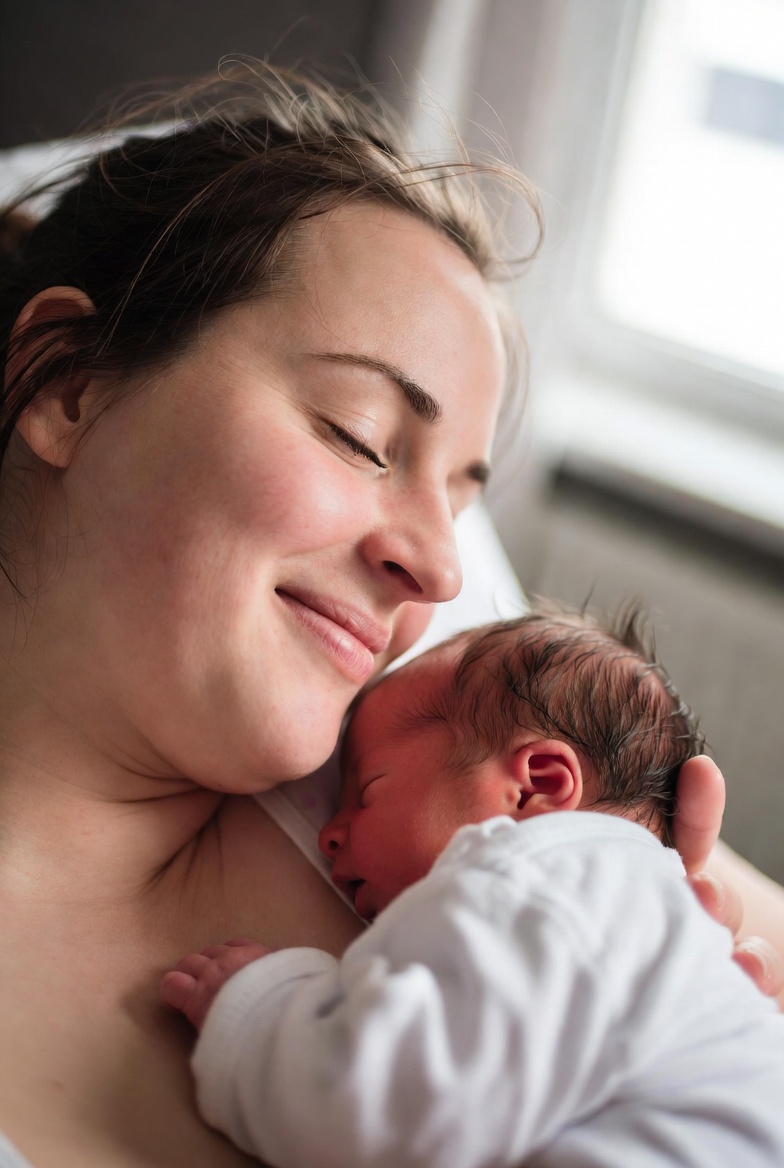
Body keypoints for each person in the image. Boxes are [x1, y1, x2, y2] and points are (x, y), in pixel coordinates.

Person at [0, 62, 780, 1168]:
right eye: (362, 435)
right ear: (69, 388)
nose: (441, 571)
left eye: (461, 498)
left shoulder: (442, 766)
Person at [162, 605, 784, 1168]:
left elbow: (389, 1110)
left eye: (369, 790)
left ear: (534, 786)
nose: (331, 834)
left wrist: (259, 1008)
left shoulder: (550, 883)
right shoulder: (626, 909)